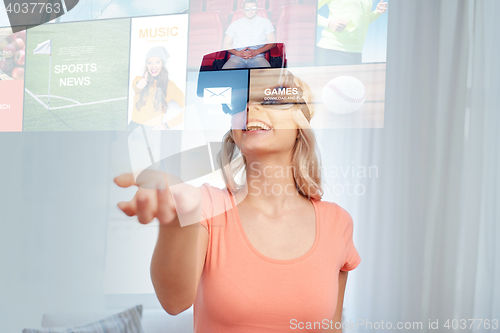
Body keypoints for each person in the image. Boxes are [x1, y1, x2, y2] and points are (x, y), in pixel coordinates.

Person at [114, 69, 361, 332]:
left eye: (270, 100)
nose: (250, 108)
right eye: (240, 102)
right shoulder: (206, 205)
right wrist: (175, 221)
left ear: (300, 123)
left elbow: (332, 327)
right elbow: (174, 302)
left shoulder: (337, 222)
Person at [129, 46, 185, 131]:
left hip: (152, 130)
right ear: (146, 65)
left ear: (163, 64)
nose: (153, 66)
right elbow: (136, 86)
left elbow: (188, 108)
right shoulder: (139, 79)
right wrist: (139, 83)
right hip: (133, 127)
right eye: (149, 63)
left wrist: (167, 125)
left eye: (157, 62)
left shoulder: (170, 85)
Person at [316, 0, 388, 66]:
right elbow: (309, 13)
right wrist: (329, 23)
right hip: (332, 49)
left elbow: (362, 21)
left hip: (356, 51)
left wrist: (377, 12)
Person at [222, 0, 277, 69]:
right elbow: (225, 44)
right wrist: (238, 53)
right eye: (247, 9)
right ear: (243, 10)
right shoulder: (234, 24)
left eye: (253, 9)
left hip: (257, 57)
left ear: (256, 9)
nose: (250, 11)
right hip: (237, 57)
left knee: (268, 76)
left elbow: (273, 43)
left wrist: (257, 52)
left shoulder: (265, 22)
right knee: (224, 74)